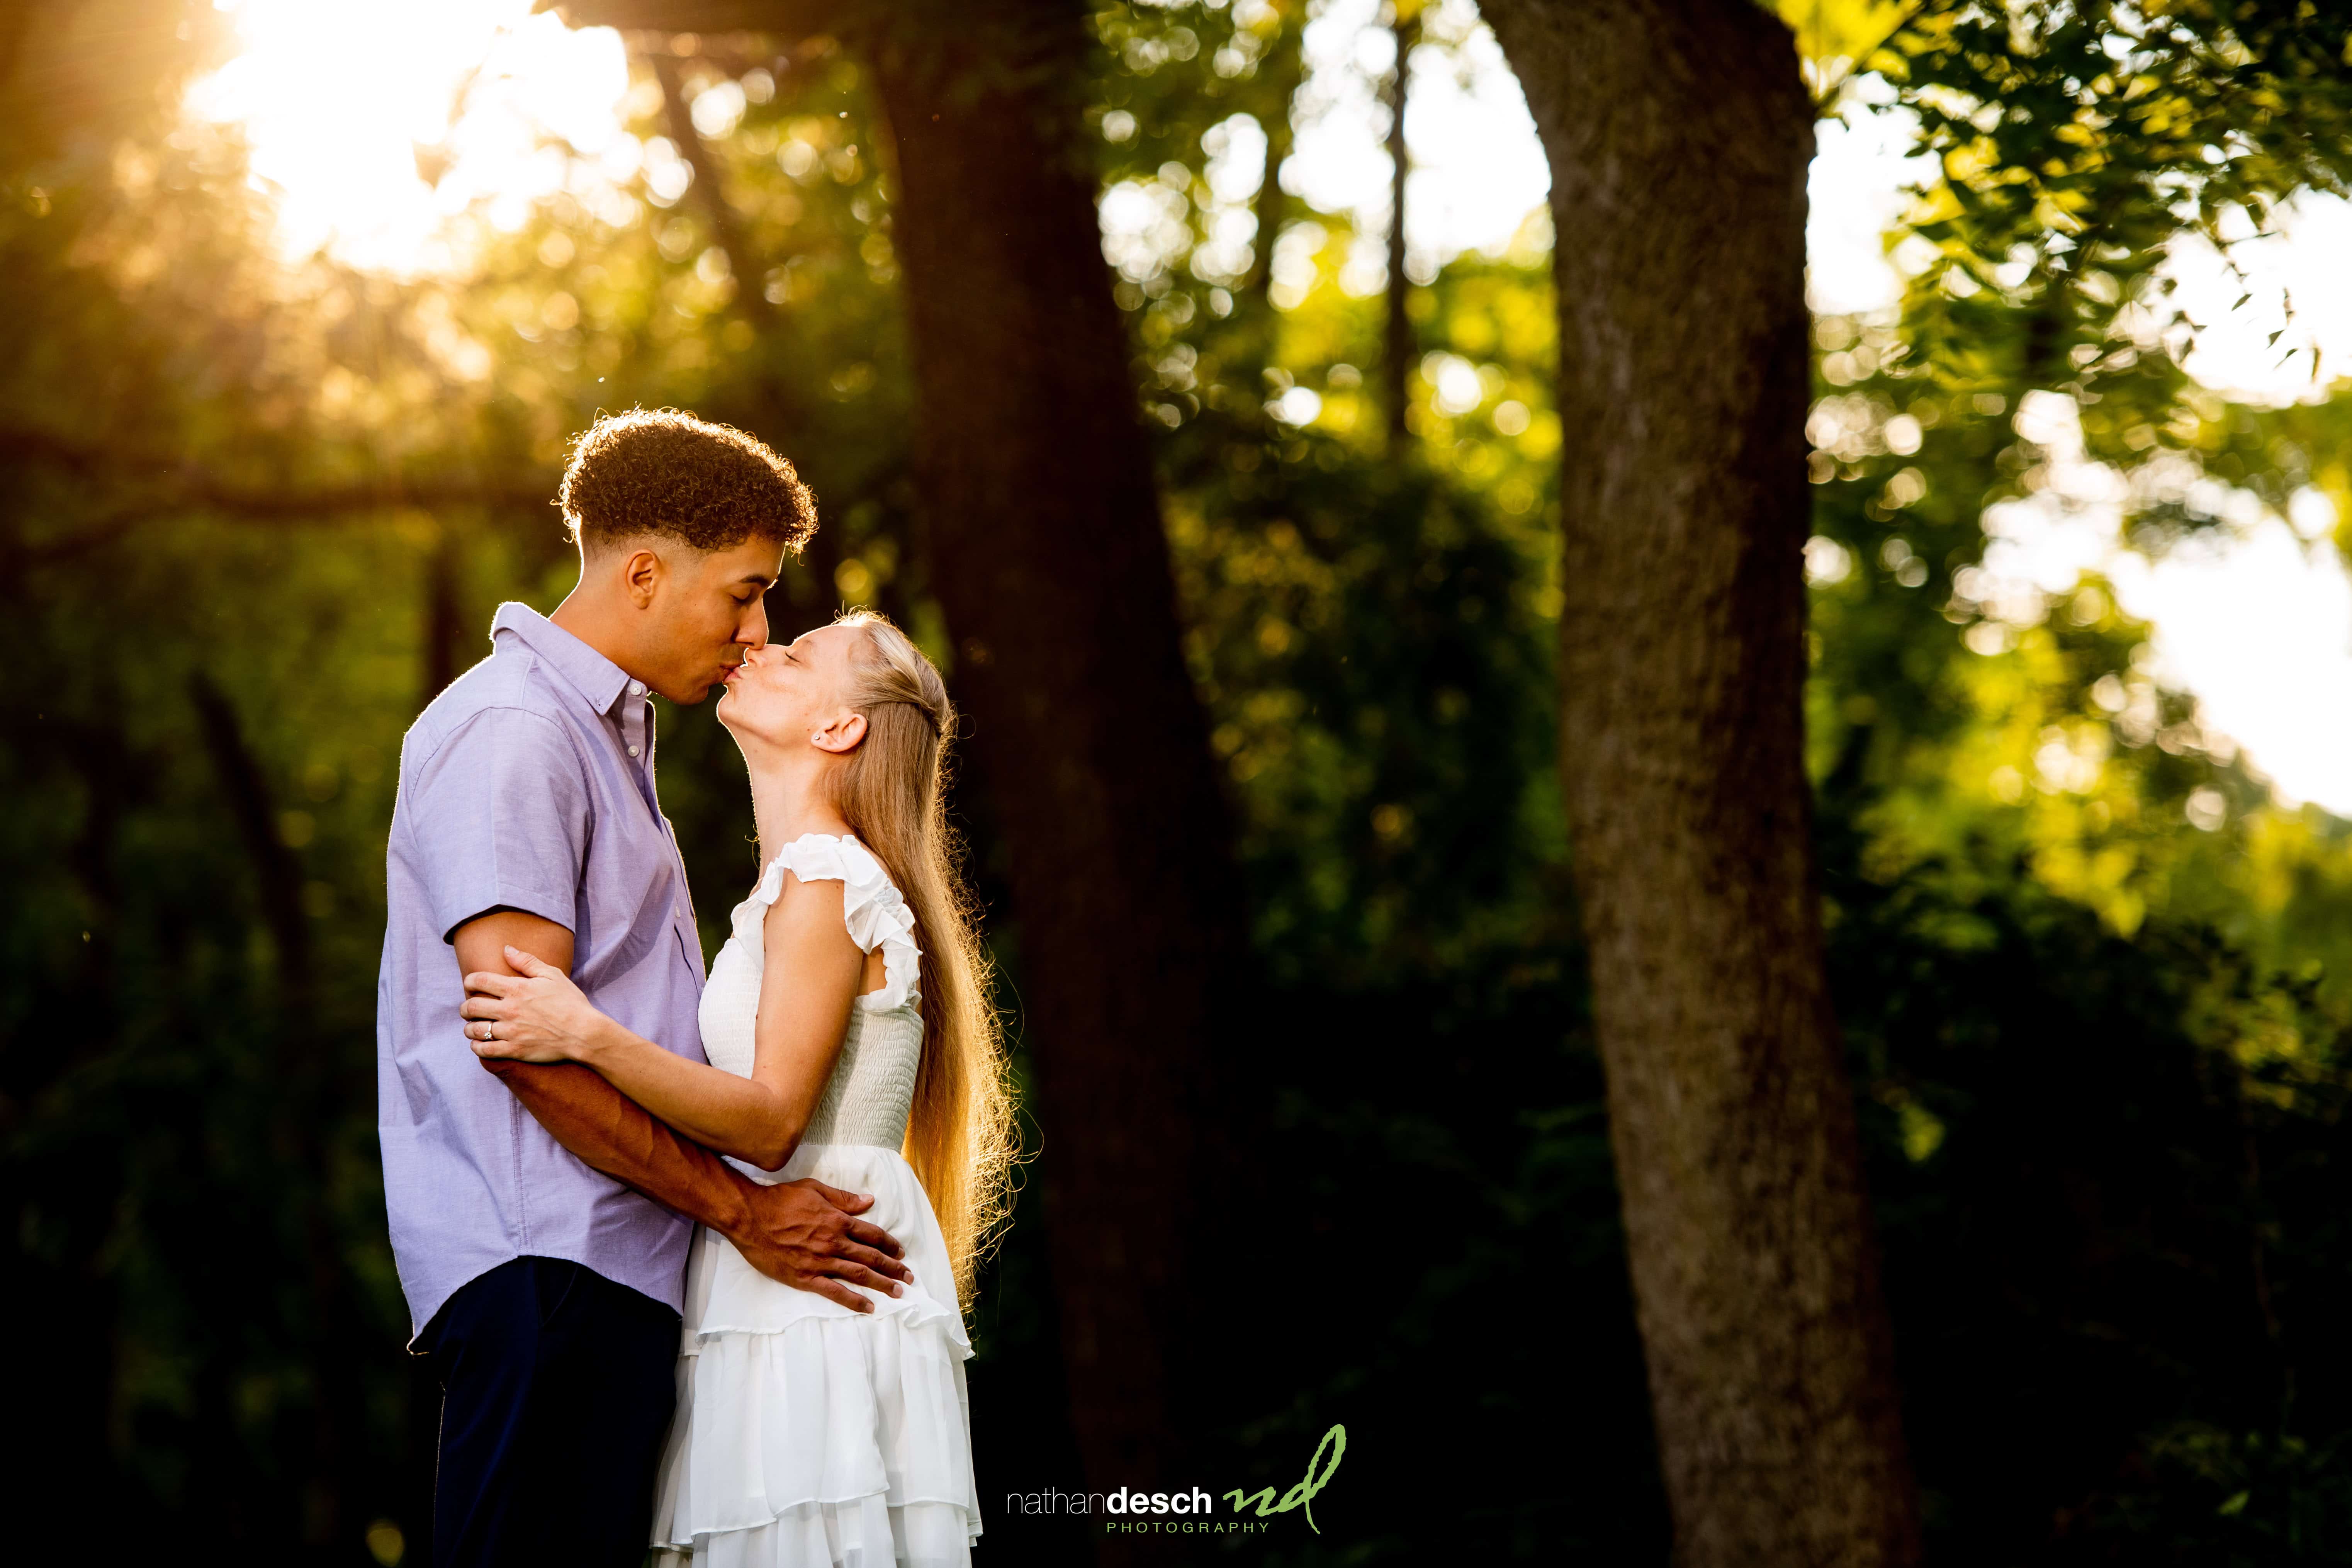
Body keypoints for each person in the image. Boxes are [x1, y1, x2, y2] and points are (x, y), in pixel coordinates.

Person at [377, 409, 917, 1568]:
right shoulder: (516, 730)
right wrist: (739, 1208)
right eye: (743, 591)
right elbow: (524, 1044)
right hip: (549, 1270)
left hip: (612, 1272)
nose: (756, 627)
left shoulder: (605, 744)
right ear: (640, 572)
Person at [461, 608, 1016, 1567]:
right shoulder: (796, 884)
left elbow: (767, 1122)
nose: (760, 646)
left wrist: (582, 1032)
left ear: (839, 729)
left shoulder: (827, 878)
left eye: (797, 656)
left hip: (815, 1266)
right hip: (784, 1255)